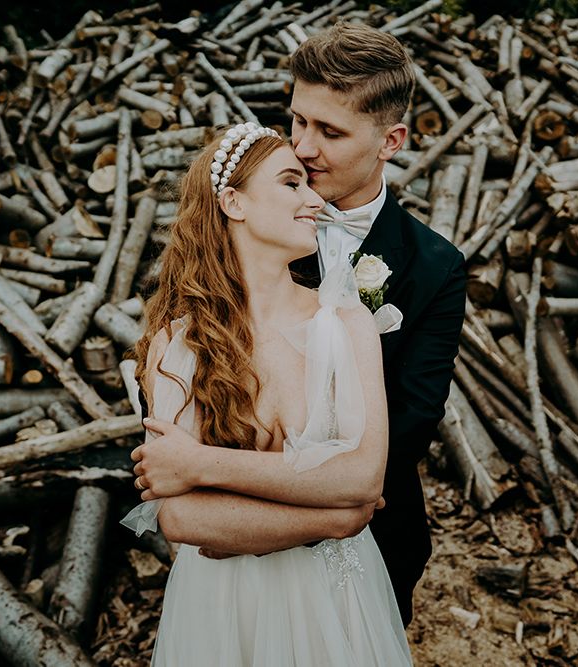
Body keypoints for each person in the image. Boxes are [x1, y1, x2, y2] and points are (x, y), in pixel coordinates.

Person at [130, 22, 466, 628]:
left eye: (330, 131)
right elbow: (178, 419)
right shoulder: (259, 222)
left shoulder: (434, 267)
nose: (305, 148)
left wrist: (320, 508)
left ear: (390, 140)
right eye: (299, 121)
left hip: (366, 549)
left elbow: (411, 420)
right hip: (228, 549)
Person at [122, 122, 413, 665]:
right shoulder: (177, 344)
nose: (313, 199)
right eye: (291, 183)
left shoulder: (346, 322)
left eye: (308, 184)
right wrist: (332, 520)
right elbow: (181, 520)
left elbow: (362, 476)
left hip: (339, 602)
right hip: (223, 606)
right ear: (234, 202)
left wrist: (199, 463)